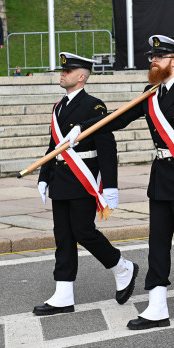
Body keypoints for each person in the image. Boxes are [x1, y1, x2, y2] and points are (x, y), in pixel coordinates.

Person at [60, 35, 174, 330]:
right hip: (161, 178)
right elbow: (118, 118)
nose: (153, 62)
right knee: (157, 242)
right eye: (152, 57)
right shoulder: (150, 93)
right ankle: (157, 306)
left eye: (159, 57)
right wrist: (83, 128)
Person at [33, 52, 138, 316]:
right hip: (61, 180)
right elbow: (53, 147)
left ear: (81, 77)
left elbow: (107, 146)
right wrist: (44, 176)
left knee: (83, 231)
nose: (62, 74)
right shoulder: (58, 107)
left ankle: (121, 266)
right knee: (63, 237)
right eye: (62, 71)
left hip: (83, 180)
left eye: (67, 71)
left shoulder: (94, 106)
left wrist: (111, 186)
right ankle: (63, 293)